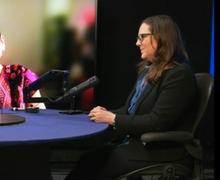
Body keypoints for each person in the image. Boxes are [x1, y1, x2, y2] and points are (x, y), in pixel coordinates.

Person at [65, 15, 197, 180]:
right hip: (136, 144)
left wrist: (113, 118)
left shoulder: (179, 74)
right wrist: (104, 114)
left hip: (161, 151)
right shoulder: (147, 71)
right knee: (89, 159)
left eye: (142, 37)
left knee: (93, 165)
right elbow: (128, 111)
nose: (137, 43)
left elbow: (157, 122)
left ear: (161, 37)